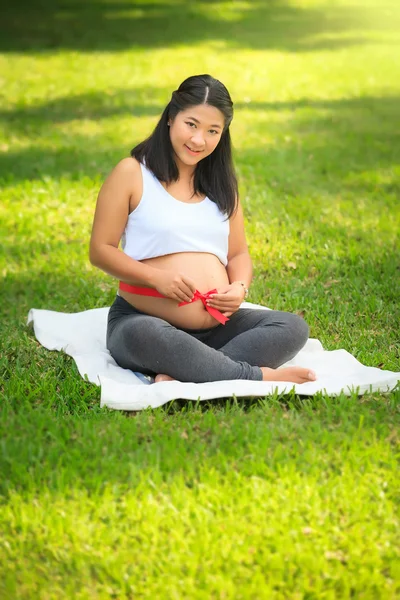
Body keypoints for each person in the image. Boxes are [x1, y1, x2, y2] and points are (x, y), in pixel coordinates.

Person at [89, 74, 316, 384]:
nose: (199, 140)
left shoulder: (223, 186)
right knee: (148, 335)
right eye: (191, 124)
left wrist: (239, 288)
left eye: (213, 131)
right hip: (143, 320)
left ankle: (189, 369)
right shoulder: (132, 172)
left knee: (291, 327)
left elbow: (238, 254)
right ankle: (252, 376)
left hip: (218, 327)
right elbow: (100, 251)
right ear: (171, 117)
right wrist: (156, 278)